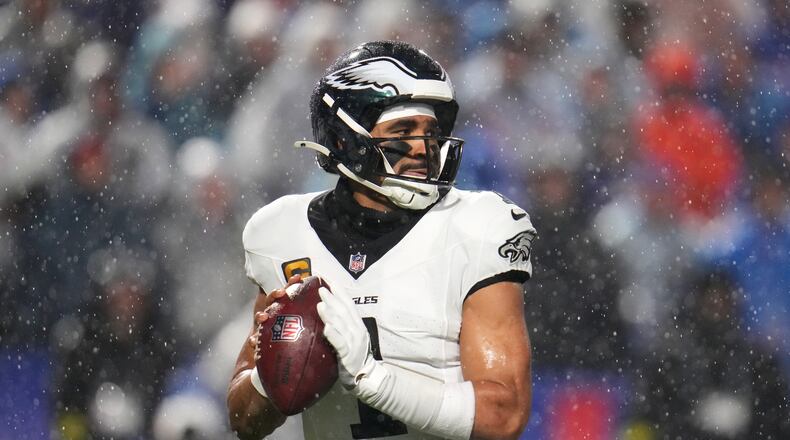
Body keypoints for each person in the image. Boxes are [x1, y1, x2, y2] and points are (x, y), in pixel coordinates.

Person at [226, 41, 536, 440]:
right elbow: (243, 420)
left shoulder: (474, 227)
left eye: (432, 132)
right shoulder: (283, 234)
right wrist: (275, 378)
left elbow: (504, 414)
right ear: (343, 140)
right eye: (404, 130)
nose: (424, 148)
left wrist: (375, 379)